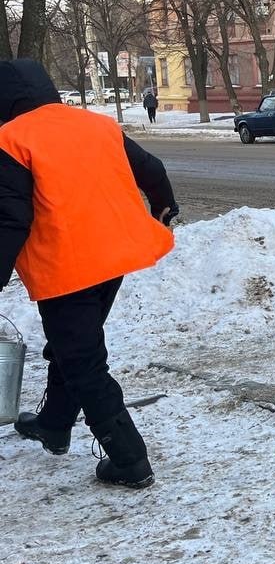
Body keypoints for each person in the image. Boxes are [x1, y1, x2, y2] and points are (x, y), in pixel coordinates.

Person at [1, 60, 178, 489]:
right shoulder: (94, 124)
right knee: (71, 344)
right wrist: (164, 209)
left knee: (83, 361)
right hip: (113, 258)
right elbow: (152, 170)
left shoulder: (10, 139)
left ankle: (129, 459)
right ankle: (55, 424)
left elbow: (10, 219)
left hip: (67, 266)